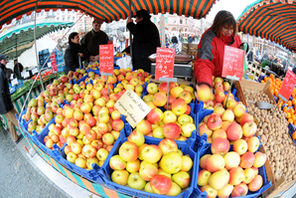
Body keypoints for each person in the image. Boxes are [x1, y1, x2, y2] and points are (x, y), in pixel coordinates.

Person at [194, 10, 242, 88]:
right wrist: (205, 83)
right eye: (226, 28)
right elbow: (204, 63)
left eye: (232, 29)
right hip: (212, 81)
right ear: (218, 26)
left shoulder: (236, 38)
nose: (229, 32)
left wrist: (244, 48)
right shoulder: (209, 38)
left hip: (228, 83)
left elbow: (238, 55)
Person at [0, 54, 21, 143]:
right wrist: (6, 104)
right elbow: (1, 90)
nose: (6, 61)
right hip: (4, 103)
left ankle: (15, 138)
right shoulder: (0, 71)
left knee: (9, 121)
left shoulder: (2, 70)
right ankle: (29, 136)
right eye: (4, 60)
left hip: (3, 103)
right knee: (16, 119)